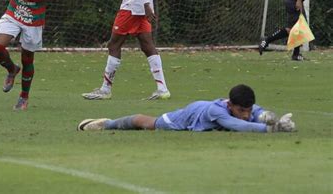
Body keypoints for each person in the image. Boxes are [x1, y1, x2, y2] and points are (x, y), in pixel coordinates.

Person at [78, 84, 296, 133]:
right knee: (148, 123)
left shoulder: (243, 105)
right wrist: (271, 129)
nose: (247, 115)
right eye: (242, 110)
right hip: (188, 115)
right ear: (230, 105)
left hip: (201, 106)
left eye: (247, 110)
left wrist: (270, 117)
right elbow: (234, 124)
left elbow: (256, 112)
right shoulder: (218, 112)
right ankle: (107, 123)